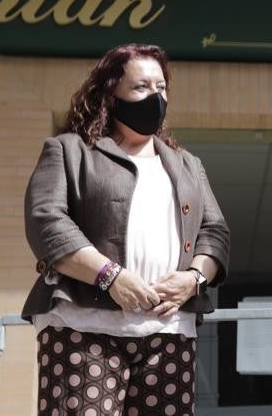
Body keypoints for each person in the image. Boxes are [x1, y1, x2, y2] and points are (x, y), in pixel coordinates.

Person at [23, 43, 230, 416]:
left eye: (161, 87)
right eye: (141, 87)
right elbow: (46, 222)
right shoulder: (70, 150)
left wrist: (194, 279)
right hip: (82, 330)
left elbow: (215, 233)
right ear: (110, 94)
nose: (155, 96)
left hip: (169, 334)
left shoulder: (187, 165)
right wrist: (110, 277)